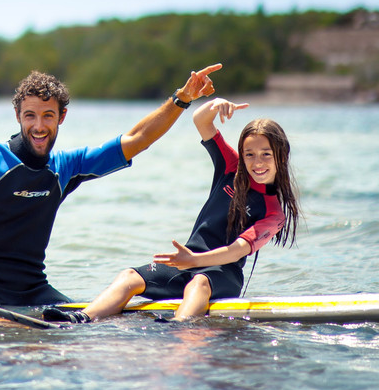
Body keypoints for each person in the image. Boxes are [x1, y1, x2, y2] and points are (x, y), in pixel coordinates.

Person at [0, 65, 222, 313]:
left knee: (86, 326)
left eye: (47, 116)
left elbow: (137, 140)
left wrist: (182, 99)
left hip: (34, 289)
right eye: (30, 116)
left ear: (62, 117)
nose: (38, 126)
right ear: (17, 116)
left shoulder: (65, 166)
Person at [44, 98, 301, 322]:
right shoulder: (231, 167)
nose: (257, 162)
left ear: (281, 155)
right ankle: (82, 318)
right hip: (189, 261)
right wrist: (217, 103)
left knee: (198, 284)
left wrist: (194, 262)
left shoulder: (273, 212)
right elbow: (201, 120)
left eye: (266, 154)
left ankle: (179, 330)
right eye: (250, 154)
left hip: (223, 272)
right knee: (129, 276)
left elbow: (237, 251)